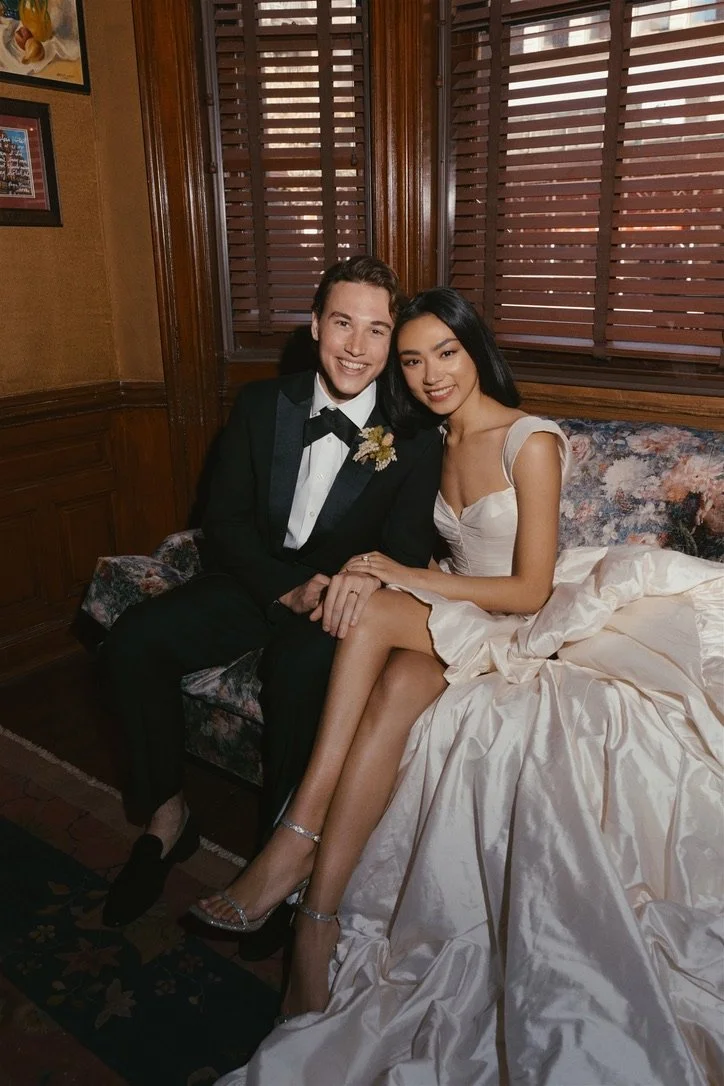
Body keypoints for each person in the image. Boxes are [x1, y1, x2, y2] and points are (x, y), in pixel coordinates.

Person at [214, 288, 724, 1086]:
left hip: (521, 620)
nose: (428, 374)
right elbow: (405, 543)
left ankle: (295, 835)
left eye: (443, 353)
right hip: (449, 613)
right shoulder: (421, 438)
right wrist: (378, 570)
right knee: (387, 699)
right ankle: (316, 925)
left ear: (474, 349)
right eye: (410, 361)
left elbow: (528, 589)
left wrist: (396, 577)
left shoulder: (531, 441)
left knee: (377, 610)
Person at [100, 256, 443, 929]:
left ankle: (273, 870)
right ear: (315, 324)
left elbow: (403, 554)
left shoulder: (414, 438)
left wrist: (347, 583)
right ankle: (168, 819)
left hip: (336, 607)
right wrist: (283, 587)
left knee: (298, 678)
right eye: (342, 323)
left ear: (392, 341)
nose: (356, 346)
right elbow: (222, 521)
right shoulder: (263, 404)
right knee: (133, 643)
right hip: (256, 579)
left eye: (377, 331)